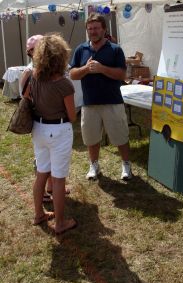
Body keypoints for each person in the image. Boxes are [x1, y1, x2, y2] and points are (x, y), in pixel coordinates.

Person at [23, 33, 77, 234]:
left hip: (39, 129)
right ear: (61, 55)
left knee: (41, 174)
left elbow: (28, 99)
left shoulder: (32, 76)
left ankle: (39, 214)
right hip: (58, 130)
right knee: (58, 179)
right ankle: (60, 222)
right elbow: (72, 116)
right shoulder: (64, 84)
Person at [69, 13, 132, 180]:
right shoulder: (81, 49)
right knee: (91, 137)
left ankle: (126, 165)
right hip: (89, 103)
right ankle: (94, 165)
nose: (93, 31)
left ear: (104, 29)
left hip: (112, 101)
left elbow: (121, 75)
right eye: (90, 29)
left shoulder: (115, 49)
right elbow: (73, 74)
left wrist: (102, 68)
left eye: (96, 28)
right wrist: (86, 68)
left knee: (120, 136)